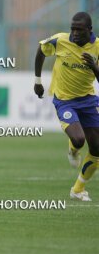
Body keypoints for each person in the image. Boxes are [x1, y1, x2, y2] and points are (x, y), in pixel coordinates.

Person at [34, 11, 99, 201]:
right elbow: (41, 51)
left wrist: (94, 67)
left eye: (79, 30)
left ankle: (78, 189)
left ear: (89, 30)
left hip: (88, 100)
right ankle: (73, 147)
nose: (75, 33)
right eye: (73, 29)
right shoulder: (60, 41)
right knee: (79, 139)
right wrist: (38, 81)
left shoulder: (97, 47)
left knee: (97, 148)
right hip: (64, 100)